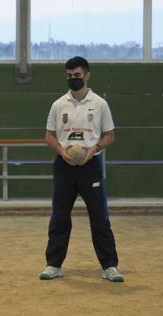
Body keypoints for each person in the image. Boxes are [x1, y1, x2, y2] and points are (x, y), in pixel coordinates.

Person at [39, 56, 123, 283]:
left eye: (77, 76)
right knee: (59, 217)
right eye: (69, 76)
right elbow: (49, 136)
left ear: (87, 75)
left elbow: (110, 136)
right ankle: (53, 265)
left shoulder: (100, 104)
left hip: (90, 165)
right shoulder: (59, 105)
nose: (73, 79)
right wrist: (61, 151)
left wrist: (93, 148)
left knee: (99, 217)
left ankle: (110, 266)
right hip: (64, 166)